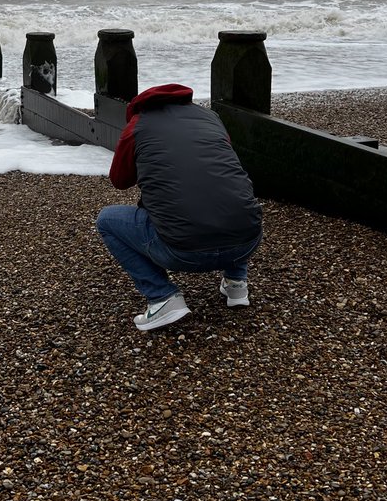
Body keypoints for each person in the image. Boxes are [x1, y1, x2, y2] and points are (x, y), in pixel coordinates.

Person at [96, 83, 263, 331]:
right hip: (246, 242)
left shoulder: (138, 124)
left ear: (138, 108)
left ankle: (162, 298)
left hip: (183, 252)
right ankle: (236, 284)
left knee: (107, 220)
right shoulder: (210, 117)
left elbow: (120, 180)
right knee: (226, 193)